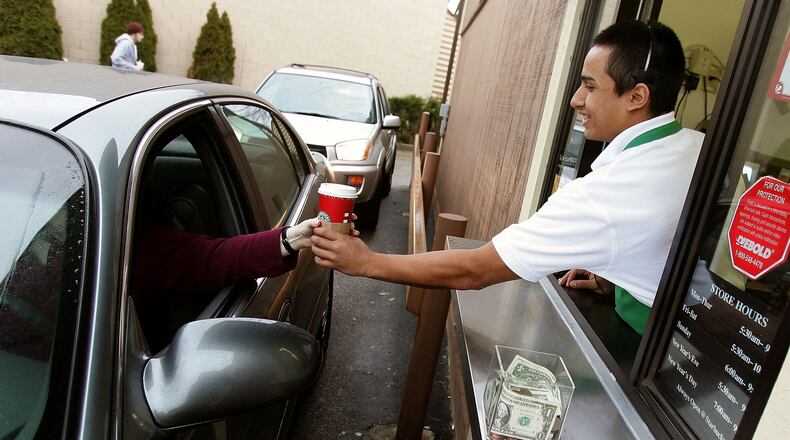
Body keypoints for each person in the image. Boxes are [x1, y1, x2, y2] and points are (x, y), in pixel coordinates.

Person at [310, 20, 703, 335]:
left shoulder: (606, 193)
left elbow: (476, 269)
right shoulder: (698, 149)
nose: (575, 100)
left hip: (658, 358)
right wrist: (619, 277)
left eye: (589, 85)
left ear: (637, 97)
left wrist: (367, 262)